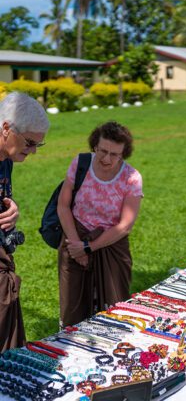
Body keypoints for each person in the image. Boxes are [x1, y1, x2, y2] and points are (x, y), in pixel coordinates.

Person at [57, 121, 143, 327]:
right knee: (73, 306)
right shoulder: (80, 163)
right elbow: (63, 206)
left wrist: (88, 248)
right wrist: (76, 246)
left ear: (124, 153)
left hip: (112, 242)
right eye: (102, 151)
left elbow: (125, 226)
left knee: (115, 306)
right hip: (74, 236)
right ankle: (70, 346)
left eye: (115, 154)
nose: (106, 159)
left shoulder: (132, 177)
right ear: (95, 145)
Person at [0, 92, 49, 352]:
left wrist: (12, 207)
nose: (31, 151)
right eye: (29, 142)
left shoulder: (6, 159)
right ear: (6, 128)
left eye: (37, 146)